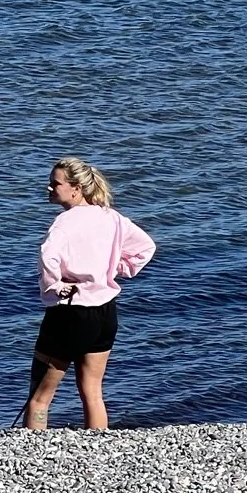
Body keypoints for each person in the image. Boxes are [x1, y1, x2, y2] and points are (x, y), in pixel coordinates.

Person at [19, 157, 155, 431]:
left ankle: (31, 450)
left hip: (70, 311)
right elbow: (145, 247)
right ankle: (98, 449)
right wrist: (113, 268)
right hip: (105, 312)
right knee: (92, 390)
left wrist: (54, 287)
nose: (48, 188)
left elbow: (48, 257)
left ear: (76, 188)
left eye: (54, 183)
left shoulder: (64, 224)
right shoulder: (112, 217)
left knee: (39, 397)